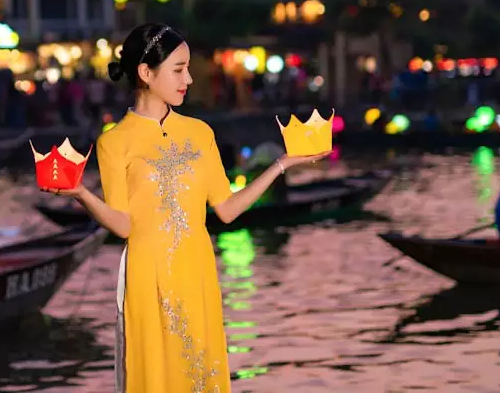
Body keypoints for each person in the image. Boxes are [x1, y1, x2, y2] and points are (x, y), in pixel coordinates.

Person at [41, 23, 327, 392]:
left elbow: (225, 209)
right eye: (178, 69)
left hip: (197, 271)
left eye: (187, 68)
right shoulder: (114, 143)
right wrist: (81, 193)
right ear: (146, 72)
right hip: (147, 276)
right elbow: (124, 225)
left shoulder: (200, 133)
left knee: (200, 372)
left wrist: (282, 165)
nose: (188, 79)